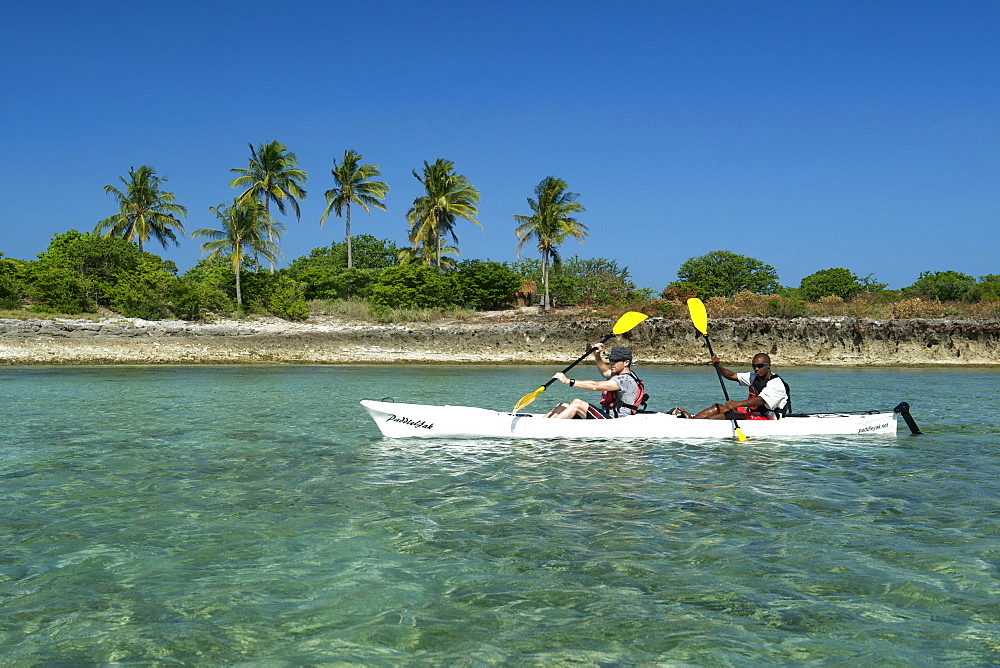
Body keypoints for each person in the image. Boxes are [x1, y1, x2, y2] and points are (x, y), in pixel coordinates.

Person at [671, 353, 789, 420]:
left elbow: (760, 401)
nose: (756, 368)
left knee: (725, 415)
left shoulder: (776, 383)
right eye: (754, 366)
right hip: (752, 414)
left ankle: (704, 423)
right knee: (718, 407)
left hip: (767, 419)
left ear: (769, 366)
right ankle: (693, 420)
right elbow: (732, 375)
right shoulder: (754, 376)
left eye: (760, 365)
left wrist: (737, 404)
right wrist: (718, 366)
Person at [545, 345, 648, 419]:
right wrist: (597, 355)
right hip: (606, 414)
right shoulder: (618, 374)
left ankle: (549, 429)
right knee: (562, 405)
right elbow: (604, 372)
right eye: (611, 360)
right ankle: (542, 423)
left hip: (615, 419)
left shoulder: (625, 380)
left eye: (615, 361)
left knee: (577, 403)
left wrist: (568, 381)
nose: (612, 363)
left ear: (626, 362)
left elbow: (595, 386)